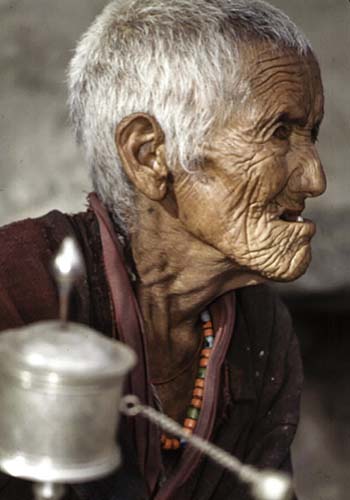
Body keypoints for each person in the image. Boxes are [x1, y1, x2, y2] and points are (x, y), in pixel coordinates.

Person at [0, 0, 326, 499]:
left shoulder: (260, 329)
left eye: (312, 135)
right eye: (279, 132)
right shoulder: (17, 289)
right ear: (150, 155)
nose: (315, 178)